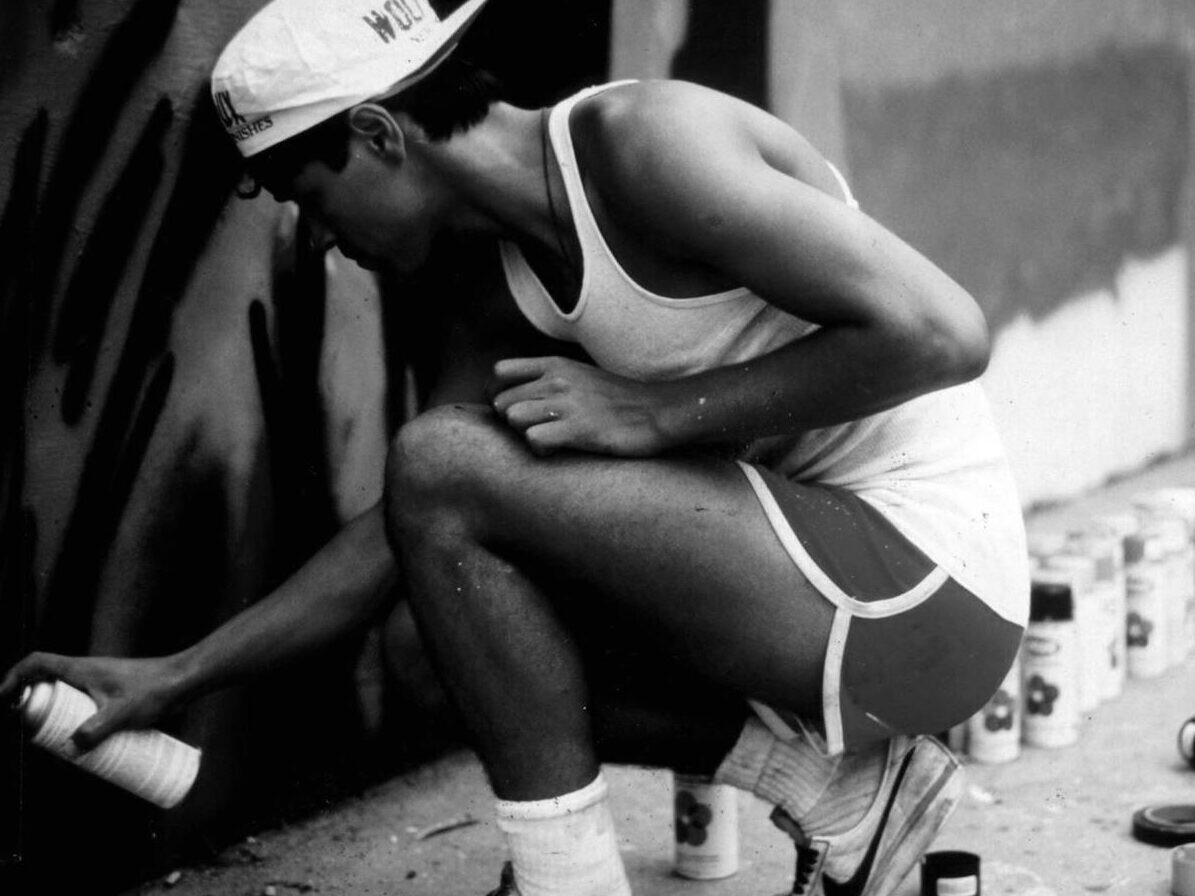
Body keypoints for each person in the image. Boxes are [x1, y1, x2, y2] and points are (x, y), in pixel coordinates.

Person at [2, 1, 1031, 894]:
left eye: (309, 197)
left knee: (441, 466)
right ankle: (830, 788)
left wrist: (652, 412)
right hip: (802, 595)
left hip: (928, 594)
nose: (317, 237)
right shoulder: (497, 282)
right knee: (438, 639)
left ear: (376, 131)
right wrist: (179, 675)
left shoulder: (646, 145)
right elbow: (409, 521)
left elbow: (941, 332)